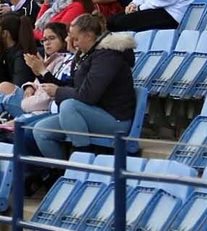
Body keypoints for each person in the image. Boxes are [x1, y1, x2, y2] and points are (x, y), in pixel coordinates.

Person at [24, 13, 136, 160]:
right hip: (90, 112)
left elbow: (87, 96)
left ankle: (83, 158)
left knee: (69, 106)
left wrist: (58, 92)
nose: (73, 43)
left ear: (89, 36)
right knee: (40, 131)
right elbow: (71, 86)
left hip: (115, 119)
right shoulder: (85, 54)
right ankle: (62, 173)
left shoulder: (108, 56)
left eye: (75, 39)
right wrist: (42, 73)